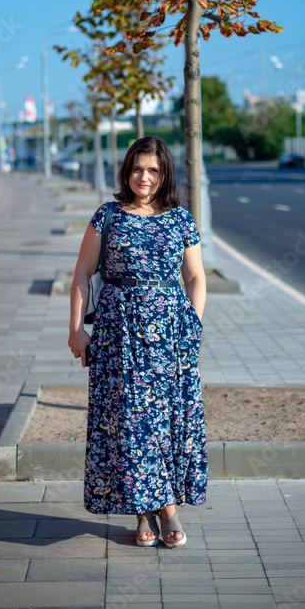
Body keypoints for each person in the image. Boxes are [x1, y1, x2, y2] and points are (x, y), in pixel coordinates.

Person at [69, 136, 207, 548]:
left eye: (153, 170)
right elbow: (81, 274)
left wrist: (193, 326)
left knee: (164, 423)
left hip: (170, 338)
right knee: (130, 423)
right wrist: (76, 330)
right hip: (119, 337)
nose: (144, 177)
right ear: (126, 170)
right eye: (137, 168)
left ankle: (151, 508)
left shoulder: (180, 219)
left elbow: (196, 277)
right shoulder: (107, 216)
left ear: (164, 174)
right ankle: (160, 511)